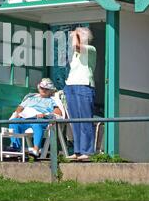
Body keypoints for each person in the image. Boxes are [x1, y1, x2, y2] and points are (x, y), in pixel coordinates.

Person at [64, 27, 97, 161]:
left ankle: (87, 151)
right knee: (75, 121)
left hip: (84, 85)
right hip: (71, 85)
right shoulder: (74, 53)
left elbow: (77, 46)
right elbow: (73, 47)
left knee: (85, 119)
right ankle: (77, 151)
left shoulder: (90, 49)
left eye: (77, 35)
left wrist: (76, 34)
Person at [8, 78, 62, 157]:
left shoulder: (51, 101)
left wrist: (45, 114)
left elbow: (58, 112)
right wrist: (18, 113)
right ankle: (16, 147)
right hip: (26, 117)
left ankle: (36, 149)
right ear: (39, 88)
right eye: (42, 88)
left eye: (46, 89)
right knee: (13, 122)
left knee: (37, 124)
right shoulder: (30, 98)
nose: (43, 90)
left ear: (51, 91)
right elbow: (20, 107)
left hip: (40, 118)